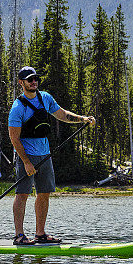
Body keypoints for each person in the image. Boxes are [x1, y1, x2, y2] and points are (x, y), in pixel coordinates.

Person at [8, 66, 95, 245]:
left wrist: (82, 119)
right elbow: (14, 138)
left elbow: (62, 114)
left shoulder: (45, 98)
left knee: (44, 193)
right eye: (29, 79)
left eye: (35, 79)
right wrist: (26, 162)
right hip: (27, 157)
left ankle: (40, 234)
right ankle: (19, 235)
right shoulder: (17, 107)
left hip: (45, 155)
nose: (34, 82)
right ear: (21, 83)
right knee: (22, 193)